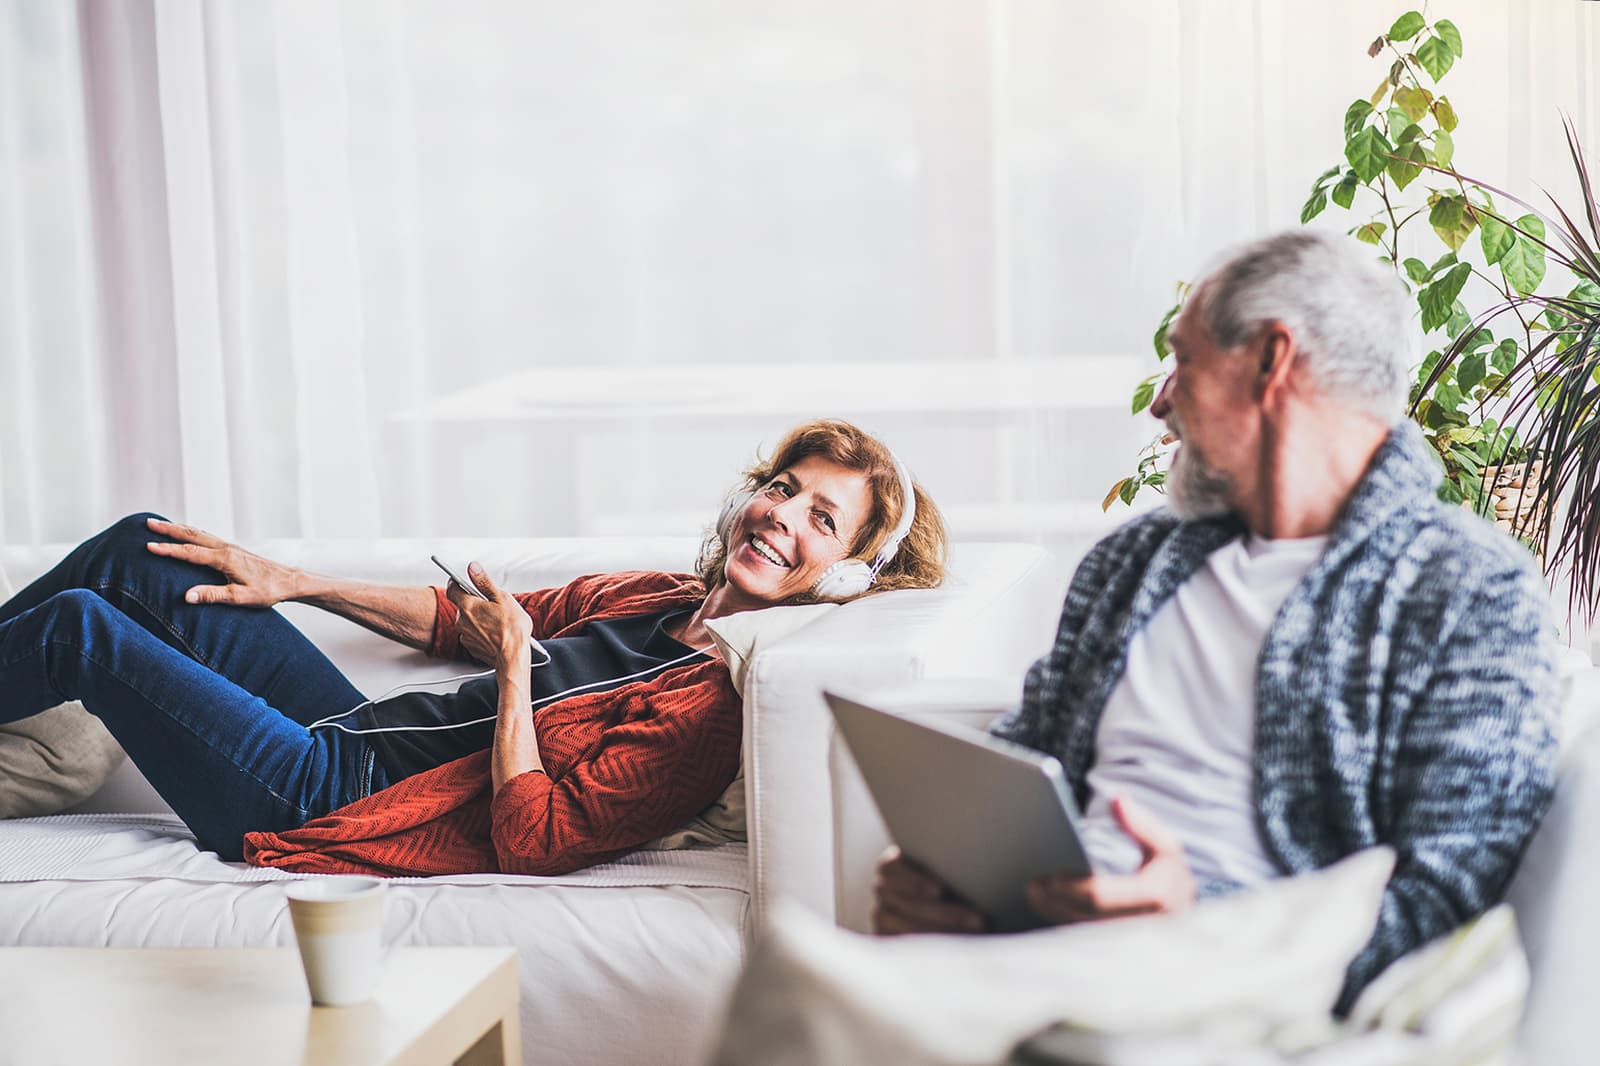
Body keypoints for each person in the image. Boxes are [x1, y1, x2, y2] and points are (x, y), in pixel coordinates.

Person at [871, 229, 1560, 1014]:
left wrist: (1202, 925)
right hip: (1038, 958)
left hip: (1235, 1000)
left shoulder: (1469, 590)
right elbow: (1027, 757)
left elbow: (1450, 904)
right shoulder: (1131, 562)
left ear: (1271, 361)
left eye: (1183, 360)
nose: (1161, 401)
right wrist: (938, 876)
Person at [0, 418, 946, 876]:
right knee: (141, 546)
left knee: (84, 627)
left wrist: (512, 673)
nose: (781, 517)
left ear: (846, 575)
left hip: (332, 796)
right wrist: (298, 581)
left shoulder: (706, 714)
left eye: (821, 519)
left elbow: (536, 840)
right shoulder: (651, 596)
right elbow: (461, 619)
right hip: (350, 730)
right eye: (782, 488)